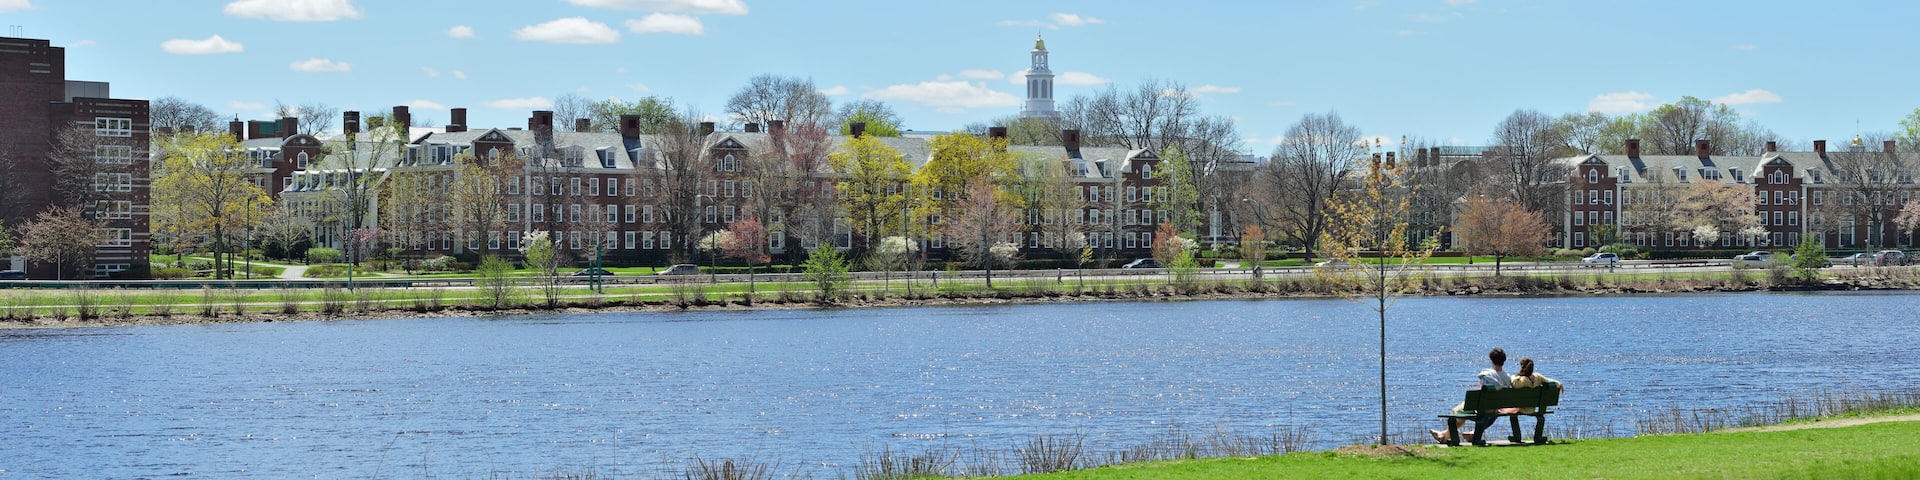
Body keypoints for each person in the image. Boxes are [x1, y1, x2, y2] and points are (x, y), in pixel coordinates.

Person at [1431, 348, 1513, 444]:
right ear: (1503, 361)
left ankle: (1445, 435)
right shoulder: (1507, 378)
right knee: (1473, 411)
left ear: (1491, 360)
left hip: (1482, 408)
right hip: (1495, 408)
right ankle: (1444, 435)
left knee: (1456, 411)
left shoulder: (1488, 375)